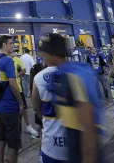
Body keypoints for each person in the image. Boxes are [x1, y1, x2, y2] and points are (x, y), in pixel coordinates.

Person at [43, 33, 103, 163]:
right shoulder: (62, 73)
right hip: (75, 143)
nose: (43, 56)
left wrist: (88, 157)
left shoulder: (71, 76)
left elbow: (88, 122)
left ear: (54, 53)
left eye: (45, 53)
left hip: (84, 147)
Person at [0, 35, 24, 163]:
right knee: (13, 145)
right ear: (4, 45)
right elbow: (13, 83)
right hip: (10, 107)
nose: (13, 45)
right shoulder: (8, 61)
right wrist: (21, 103)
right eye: (11, 43)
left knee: (0, 140)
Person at [32, 58, 66, 162]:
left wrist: (44, 118)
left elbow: (35, 107)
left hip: (50, 142)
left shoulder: (38, 77)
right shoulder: (74, 74)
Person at [11, 47, 39, 138]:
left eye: (14, 51)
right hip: (9, 89)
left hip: (18, 88)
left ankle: (28, 126)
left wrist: (16, 75)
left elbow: (23, 70)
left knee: (23, 108)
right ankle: (15, 128)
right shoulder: (5, 60)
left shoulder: (17, 59)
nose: (13, 52)